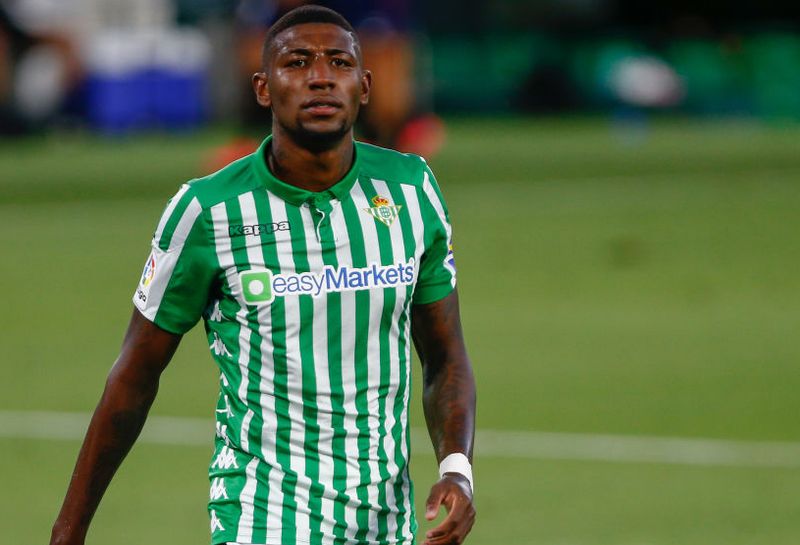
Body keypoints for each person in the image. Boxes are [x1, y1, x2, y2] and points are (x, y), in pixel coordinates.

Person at [50, 5, 476, 545]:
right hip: (261, 519)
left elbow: (445, 355)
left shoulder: (411, 190)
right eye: (297, 63)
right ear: (263, 88)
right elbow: (134, 376)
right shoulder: (208, 211)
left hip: (386, 525)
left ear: (364, 86)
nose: (320, 77)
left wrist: (457, 469)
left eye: (339, 63)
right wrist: (68, 531)